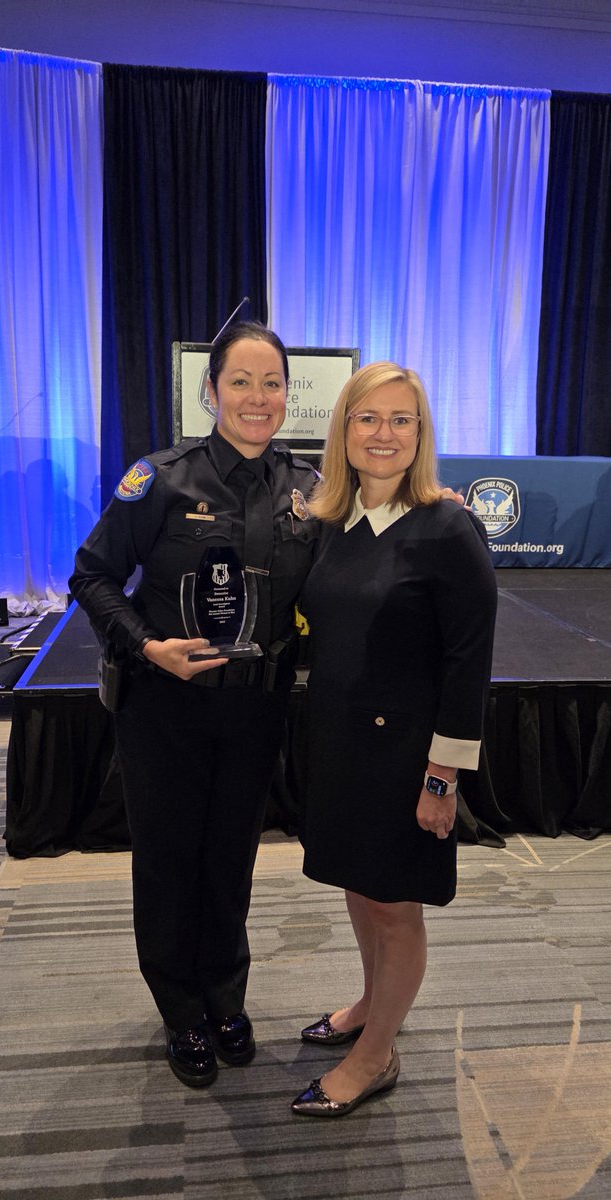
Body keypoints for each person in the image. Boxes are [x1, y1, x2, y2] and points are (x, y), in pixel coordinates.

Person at [69, 321, 319, 1088]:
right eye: (239, 382)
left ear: (288, 394)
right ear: (209, 392)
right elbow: (93, 575)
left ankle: (225, 993)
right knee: (171, 857)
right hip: (165, 709)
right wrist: (147, 646)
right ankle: (180, 1008)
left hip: (256, 708)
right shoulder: (161, 479)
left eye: (271, 382)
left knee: (231, 857)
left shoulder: (310, 489)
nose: (257, 397)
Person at [290, 361, 497, 1118]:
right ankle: (371, 1005)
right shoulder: (328, 521)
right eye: (368, 418)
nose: (384, 434)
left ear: (421, 434)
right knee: (357, 884)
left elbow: (469, 659)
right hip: (339, 741)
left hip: (409, 753)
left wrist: (443, 776)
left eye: (401, 420)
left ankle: (376, 1054)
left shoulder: (448, 526)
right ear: (342, 429)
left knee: (394, 904)